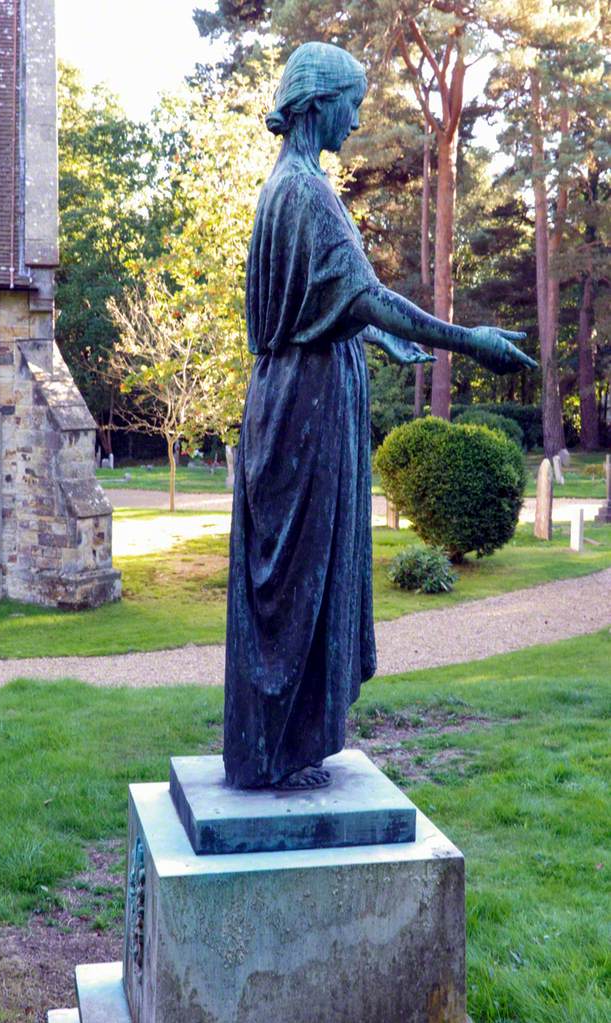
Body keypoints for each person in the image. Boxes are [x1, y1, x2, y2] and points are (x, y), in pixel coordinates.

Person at [223, 42, 535, 791]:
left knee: (300, 579)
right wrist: (469, 341)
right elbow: (357, 294)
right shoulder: (303, 192)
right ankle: (272, 750)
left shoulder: (289, 188)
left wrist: (373, 336)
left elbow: (323, 306)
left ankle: (281, 748)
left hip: (299, 399)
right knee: (294, 581)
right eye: (351, 102)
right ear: (316, 101)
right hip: (304, 411)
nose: (358, 118)